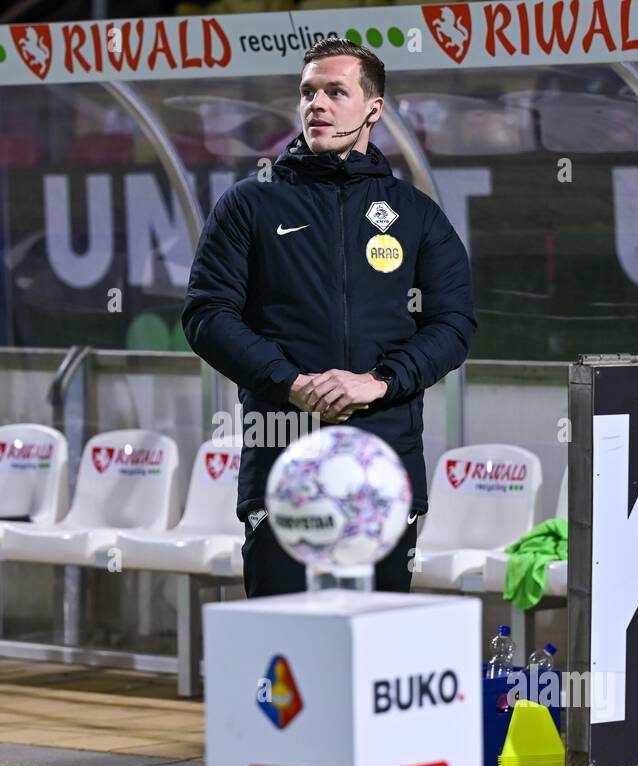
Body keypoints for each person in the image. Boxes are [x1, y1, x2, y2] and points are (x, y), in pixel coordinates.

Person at [181, 37, 476, 597]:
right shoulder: (250, 203)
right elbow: (207, 315)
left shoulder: (415, 213)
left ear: (372, 107)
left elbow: (453, 324)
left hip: (384, 462)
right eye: (308, 92)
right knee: (282, 649)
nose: (316, 103)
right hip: (284, 456)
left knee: (377, 649)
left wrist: (379, 381)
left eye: (335, 91)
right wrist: (289, 383)